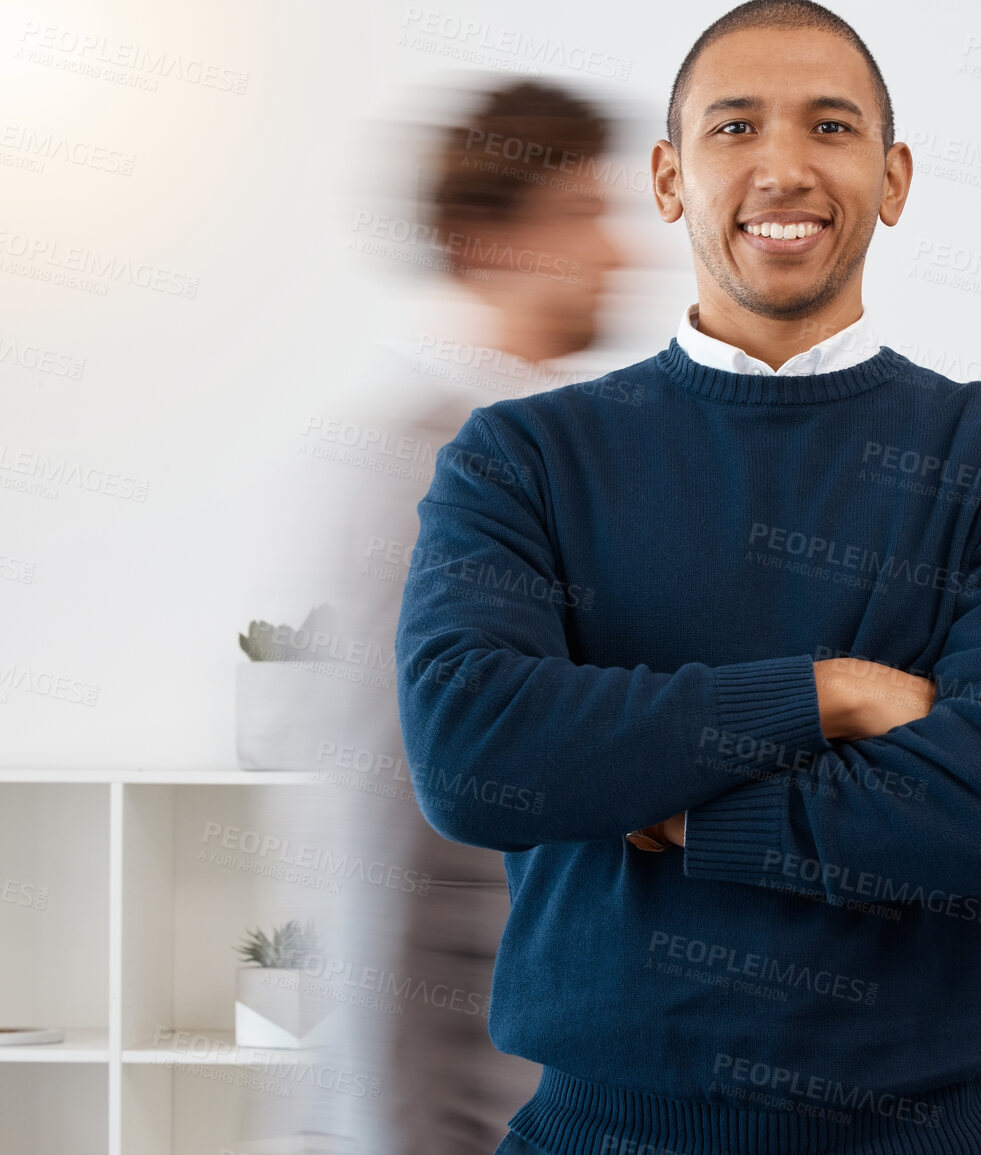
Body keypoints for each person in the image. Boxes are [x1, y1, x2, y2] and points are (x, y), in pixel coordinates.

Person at [392, 4, 981, 1155]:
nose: (784, 167)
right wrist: (822, 696)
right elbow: (475, 754)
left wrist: (677, 814)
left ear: (893, 177)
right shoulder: (520, 457)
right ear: (672, 179)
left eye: (831, 127)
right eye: (736, 128)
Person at [315, 77, 623, 1154]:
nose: (621, 252)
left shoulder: (545, 459)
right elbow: (388, 849)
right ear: (489, 243)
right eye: (587, 218)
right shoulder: (430, 469)